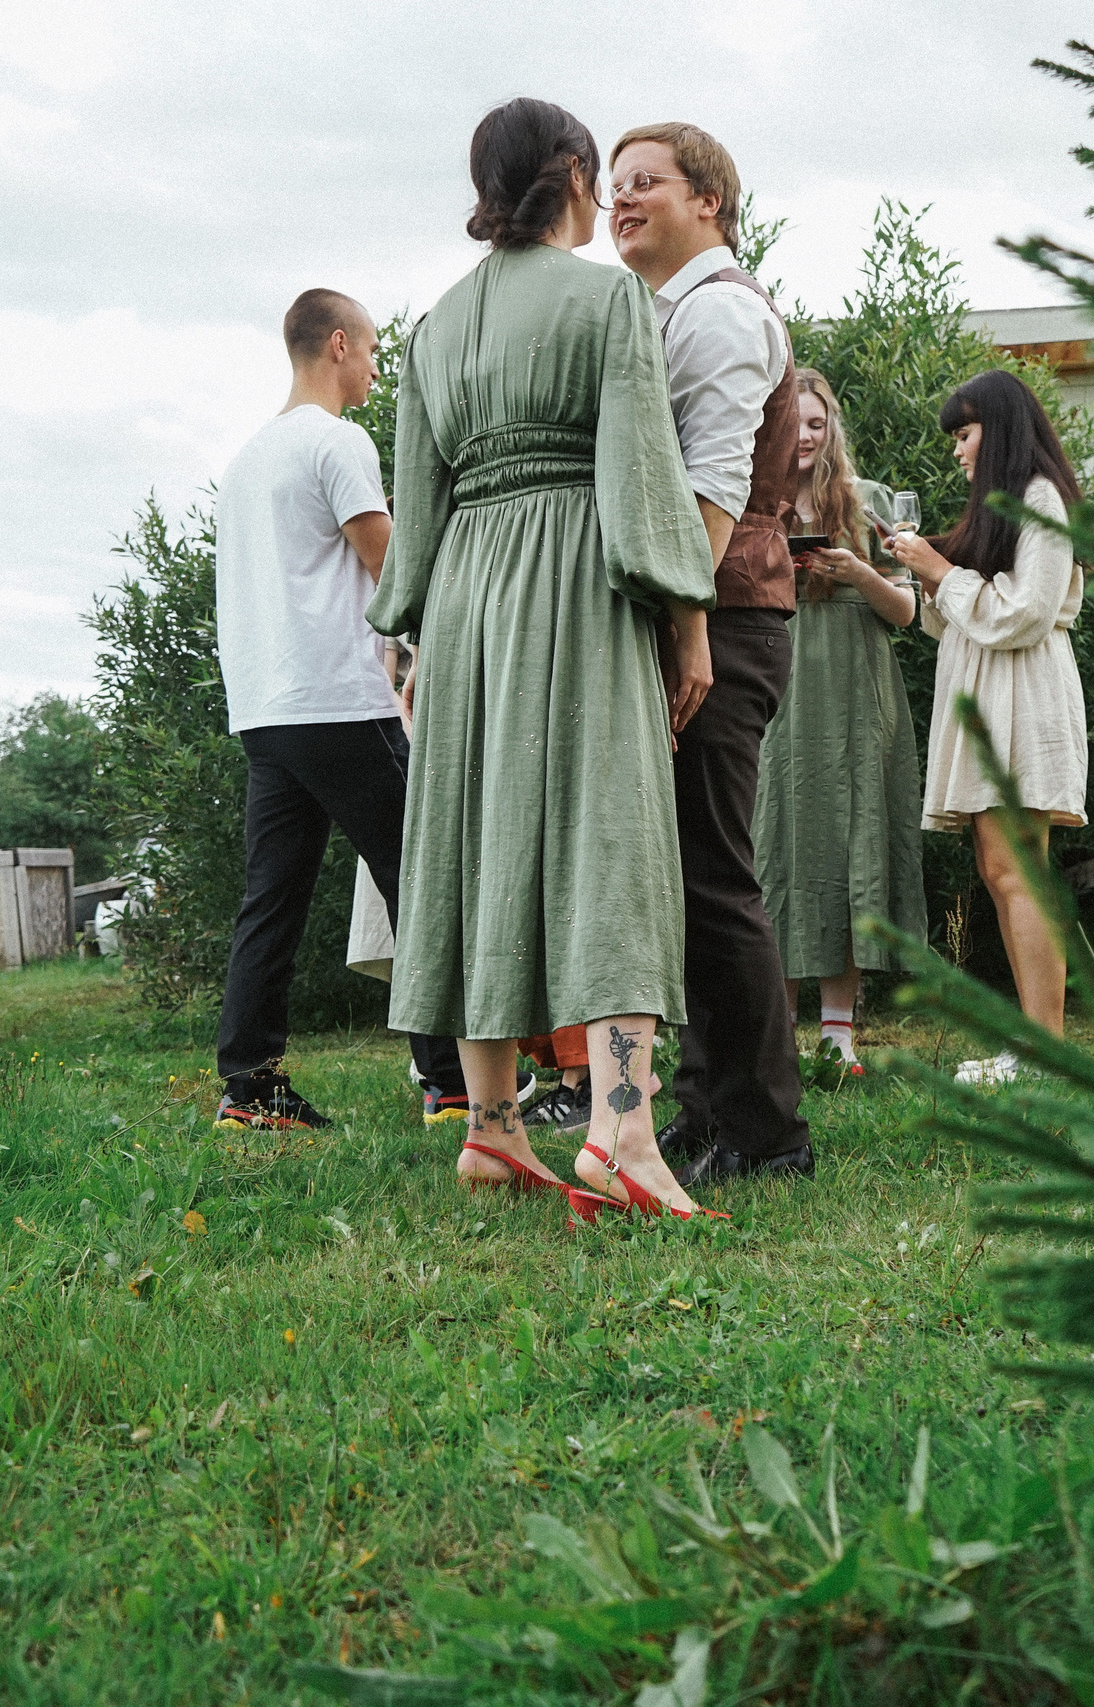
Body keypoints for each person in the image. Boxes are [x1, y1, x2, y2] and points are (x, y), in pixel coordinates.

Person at [367, 97, 723, 1219]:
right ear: (573, 173)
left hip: (466, 598)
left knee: (475, 844)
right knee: (611, 841)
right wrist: (689, 620)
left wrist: (412, 638)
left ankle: (490, 1129)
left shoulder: (431, 330)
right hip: (579, 582)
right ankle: (622, 1132)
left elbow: (414, 516)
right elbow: (640, 479)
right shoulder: (609, 299)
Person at [206, 289, 489, 1131]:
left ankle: (249, 1089)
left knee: (271, 900)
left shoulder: (246, 462)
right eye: (369, 351)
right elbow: (388, 568)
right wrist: (447, 631)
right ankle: (452, 1084)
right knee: (425, 881)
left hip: (265, 710)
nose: (373, 367)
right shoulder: (337, 442)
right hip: (338, 701)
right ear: (337, 344)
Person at [608, 120, 813, 1185]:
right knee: (682, 877)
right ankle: (706, 1104)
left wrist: (683, 620)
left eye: (645, 181)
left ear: (709, 202)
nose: (621, 199)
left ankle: (769, 1135)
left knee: (715, 875)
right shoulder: (665, 312)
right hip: (703, 613)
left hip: (723, 618)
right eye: (614, 185)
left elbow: (714, 487)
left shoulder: (722, 312)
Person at [884, 369, 1090, 1085]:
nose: (957, 450)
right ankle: (1037, 1047)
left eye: (964, 434)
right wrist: (925, 573)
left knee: (1017, 870)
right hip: (994, 694)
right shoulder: (1003, 506)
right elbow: (964, 618)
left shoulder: (1041, 499)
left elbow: (1026, 612)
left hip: (1024, 696)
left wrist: (941, 570)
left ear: (997, 430)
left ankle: (1046, 1053)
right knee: (1002, 871)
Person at [754, 368, 926, 1070]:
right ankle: (773, 1037)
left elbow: (907, 611)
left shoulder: (868, 501)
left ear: (832, 430)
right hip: (778, 687)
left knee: (852, 844)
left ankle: (837, 1035)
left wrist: (857, 572)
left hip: (857, 692)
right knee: (777, 845)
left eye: (816, 423)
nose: (804, 435)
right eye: (792, 422)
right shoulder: (750, 502)